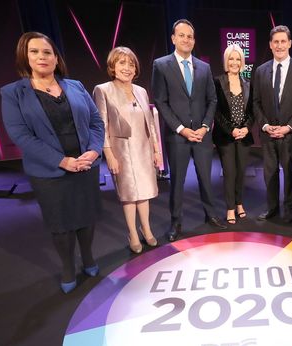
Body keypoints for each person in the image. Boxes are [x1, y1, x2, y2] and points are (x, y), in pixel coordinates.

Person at [0, 32, 104, 293]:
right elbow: (20, 135)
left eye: (47, 52)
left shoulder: (76, 86)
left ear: (56, 58)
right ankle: (68, 266)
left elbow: (96, 122)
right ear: (25, 57)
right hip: (49, 172)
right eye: (34, 52)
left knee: (86, 217)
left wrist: (93, 151)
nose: (41, 57)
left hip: (85, 166)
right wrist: (61, 161)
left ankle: (88, 257)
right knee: (61, 224)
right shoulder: (13, 93)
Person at [152, 18, 226, 242]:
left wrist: (205, 126)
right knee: (178, 181)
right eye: (182, 35)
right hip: (177, 136)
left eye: (190, 36)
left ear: (194, 41)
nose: (186, 39)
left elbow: (212, 100)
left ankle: (211, 214)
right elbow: (160, 102)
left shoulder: (203, 67)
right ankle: (176, 222)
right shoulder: (161, 65)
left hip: (202, 135)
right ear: (173, 38)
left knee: (206, 177)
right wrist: (182, 129)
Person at [93, 47, 161, 253]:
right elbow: (101, 125)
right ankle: (132, 232)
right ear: (113, 67)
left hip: (143, 148)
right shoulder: (103, 90)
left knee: (145, 191)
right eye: (122, 63)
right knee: (129, 193)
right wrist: (109, 154)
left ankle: (146, 229)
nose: (127, 68)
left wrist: (156, 151)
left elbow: (150, 123)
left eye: (131, 64)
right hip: (121, 150)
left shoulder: (140, 91)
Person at [253, 25, 292, 223]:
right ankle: (272, 208)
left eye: (283, 41)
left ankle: (289, 210)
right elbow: (256, 102)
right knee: (270, 174)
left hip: (289, 134)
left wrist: (288, 127)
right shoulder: (260, 71)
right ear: (270, 45)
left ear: (290, 43)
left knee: (289, 174)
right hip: (268, 134)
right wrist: (265, 126)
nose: (279, 45)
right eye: (275, 41)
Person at [213, 44, 254, 224]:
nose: (235, 62)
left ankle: (239, 203)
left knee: (241, 172)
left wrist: (246, 128)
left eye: (238, 59)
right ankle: (230, 207)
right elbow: (216, 112)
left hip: (244, 136)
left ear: (242, 62)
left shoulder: (248, 84)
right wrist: (231, 129)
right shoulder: (218, 82)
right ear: (226, 61)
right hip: (225, 136)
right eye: (231, 58)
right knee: (229, 173)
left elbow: (252, 112)